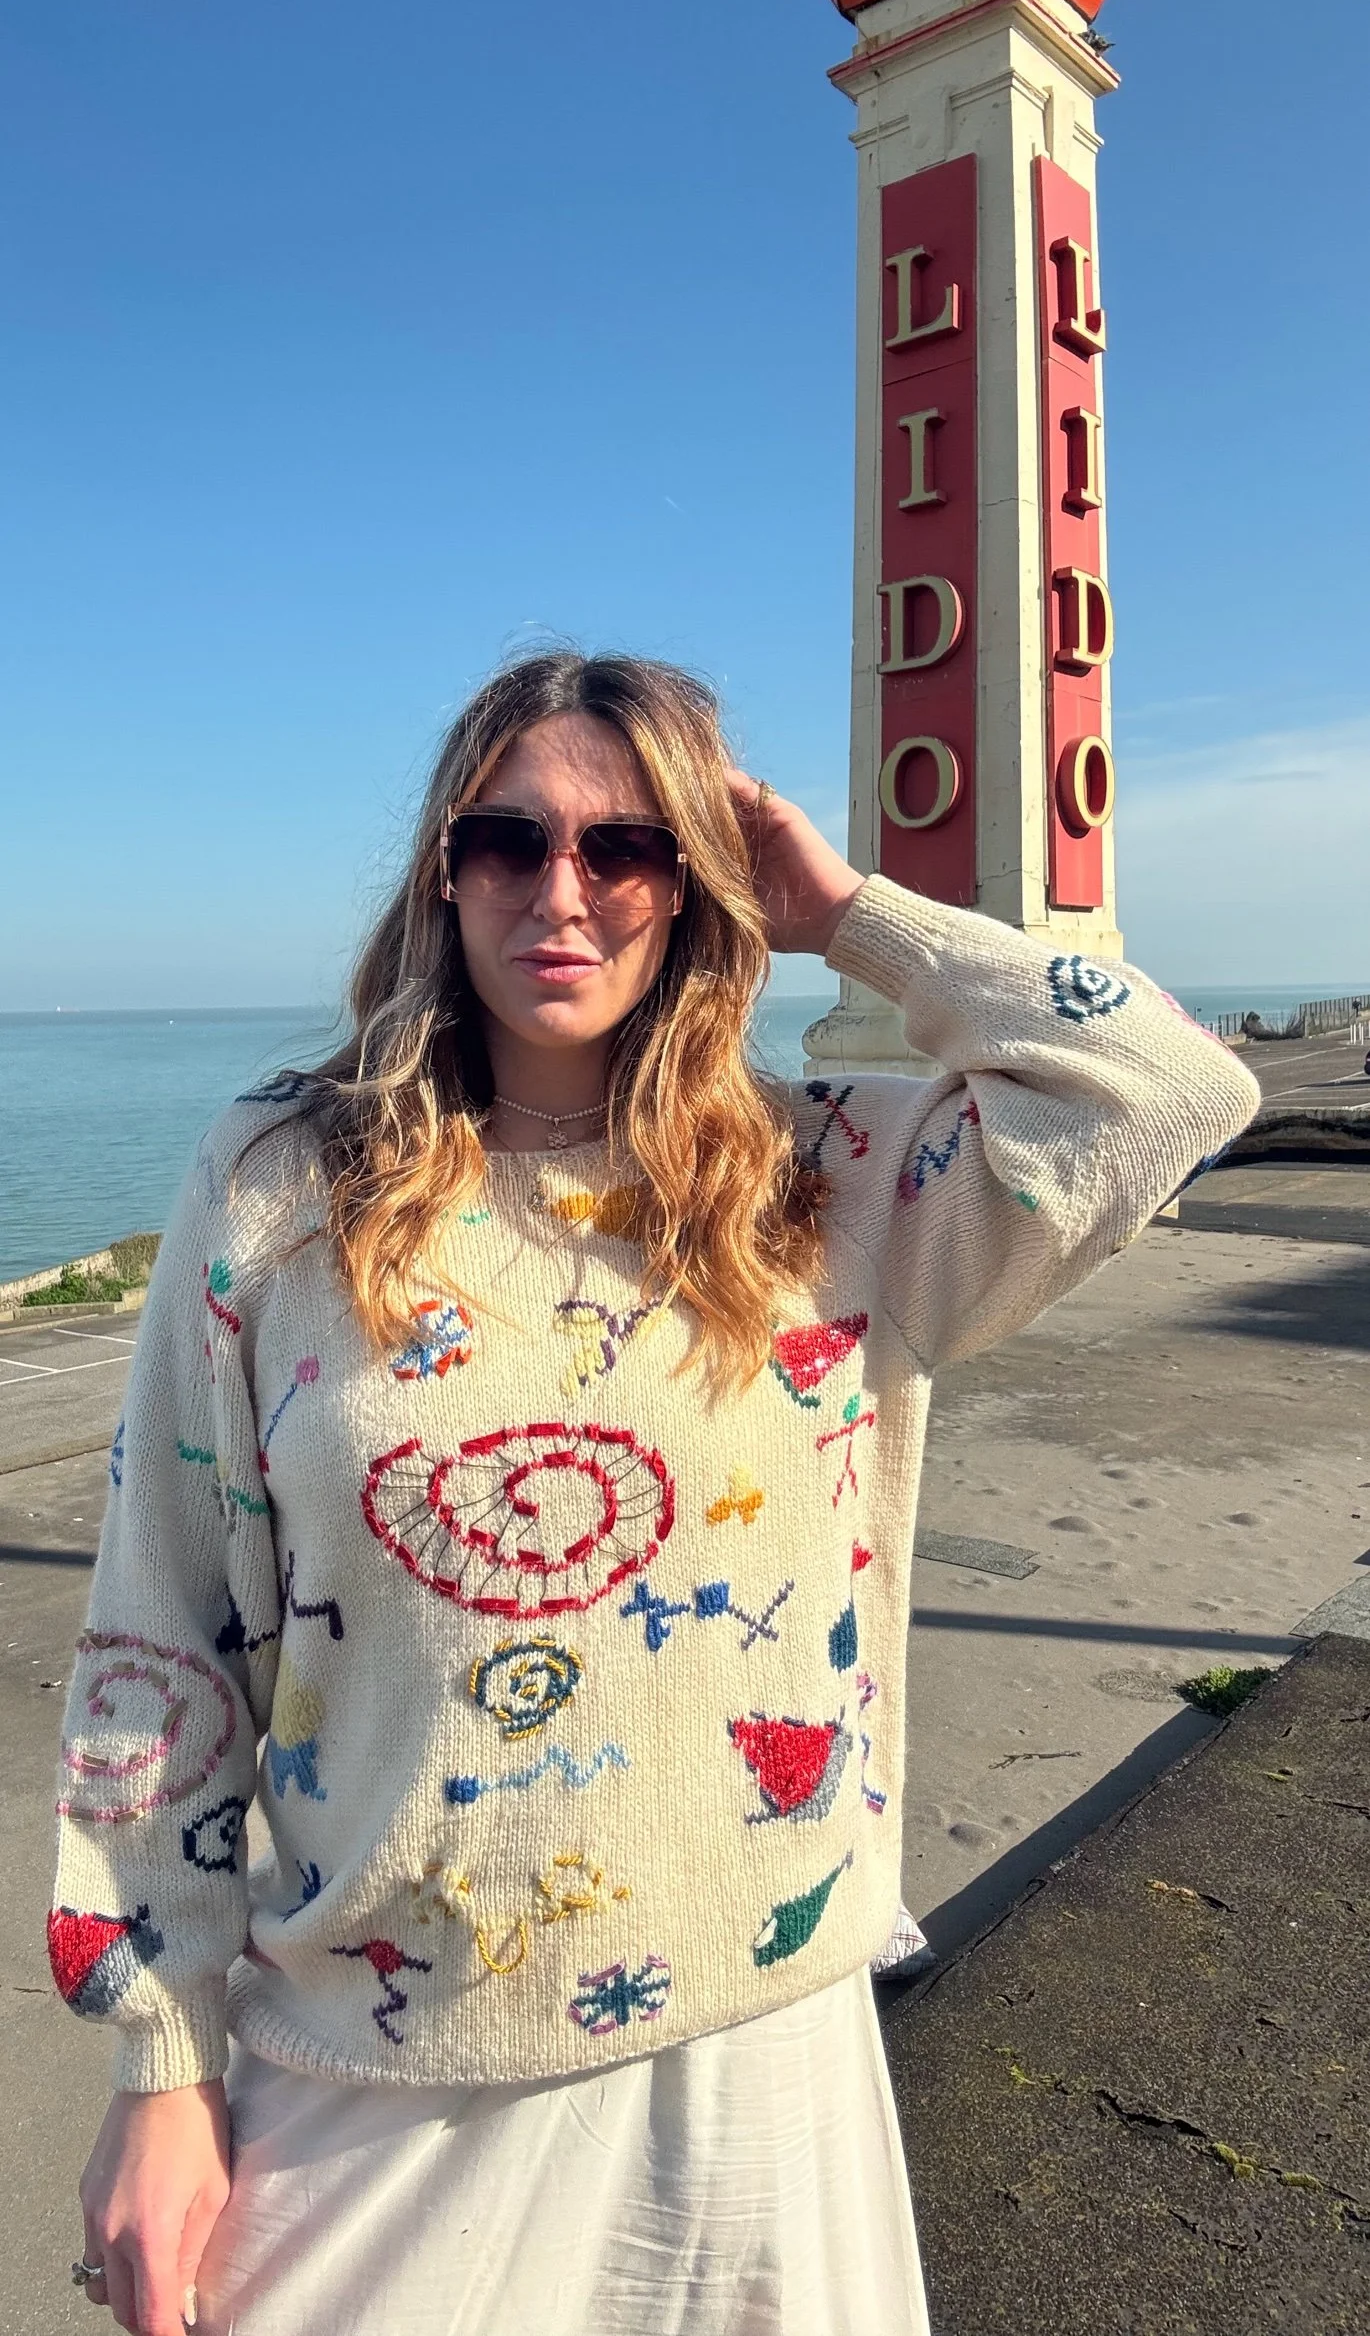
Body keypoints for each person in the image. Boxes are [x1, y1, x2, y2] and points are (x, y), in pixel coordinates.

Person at [52, 650, 1260, 2336]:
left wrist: (845, 913)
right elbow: (163, 1631)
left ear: (692, 882)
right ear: (442, 869)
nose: (562, 891)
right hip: (384, 2068)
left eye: (627, 847)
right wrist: (161, 2063)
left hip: (761, 2061)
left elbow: (1172, 1093)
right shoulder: (282, 1179)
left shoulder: (830, 1176)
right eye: (507, 839)